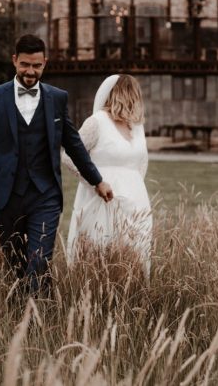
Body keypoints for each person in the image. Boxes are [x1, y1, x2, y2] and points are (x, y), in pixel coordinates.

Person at [0, 34, 114, 297]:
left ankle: (36, 319)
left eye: (36, 65)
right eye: (25, 64)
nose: (30, 71)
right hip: (6, 196)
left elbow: (73, 144)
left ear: (45, 63)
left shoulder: (57, 98)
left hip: (45, 195)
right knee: (16, 265)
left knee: (39, 260)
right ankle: (27, 313)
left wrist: (97, 180)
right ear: (14, 61)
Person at [64, 74, 152, 276]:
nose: (134, 100)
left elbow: (141, 162)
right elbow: (70, 156)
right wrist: (95, 182)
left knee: (134, 253)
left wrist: (133, 189)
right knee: (99, 250)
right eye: (130, 94)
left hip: (135, 203)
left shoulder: (137, 126)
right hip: (101, 199)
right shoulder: (97, 122)